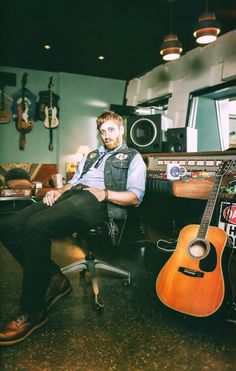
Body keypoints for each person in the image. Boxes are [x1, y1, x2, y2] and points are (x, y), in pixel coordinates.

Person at [0, 110, 146, 346]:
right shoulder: (91, 155)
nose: (106, 135)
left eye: (111, 129)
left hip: (98, 203)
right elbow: (74, 181)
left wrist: (104, 193)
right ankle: (53, 278)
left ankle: (32, 312)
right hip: (73, 196)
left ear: (120, 129)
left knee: (37, 227)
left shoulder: (133, 157)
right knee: (9, 227)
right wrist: (59, 190)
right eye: (102, 131)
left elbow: (135, 197)